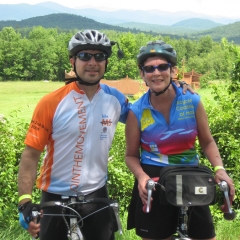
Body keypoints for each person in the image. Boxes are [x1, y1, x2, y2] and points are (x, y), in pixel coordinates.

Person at [17, 30, 192, 240]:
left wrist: (174, 85)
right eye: (84, 56)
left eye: (99, 56)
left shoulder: (115, 98)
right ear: (73, 61)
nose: (92, 62)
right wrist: (25, 201)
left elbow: (147, 114)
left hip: (97, 195)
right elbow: (31, 154)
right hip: (55, 195)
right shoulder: (51, 102)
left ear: (106, 62)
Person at [125, 40, 235, 240]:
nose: (156, 73)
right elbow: (131, 155)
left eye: (163, 66)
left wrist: (220, 170)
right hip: (154, 179)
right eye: (149, 68)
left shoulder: (192, 101)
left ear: (172, 70)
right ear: (142, 74)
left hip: (190, 175)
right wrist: (141, 177)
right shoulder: (136, 111)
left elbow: (207, 141)